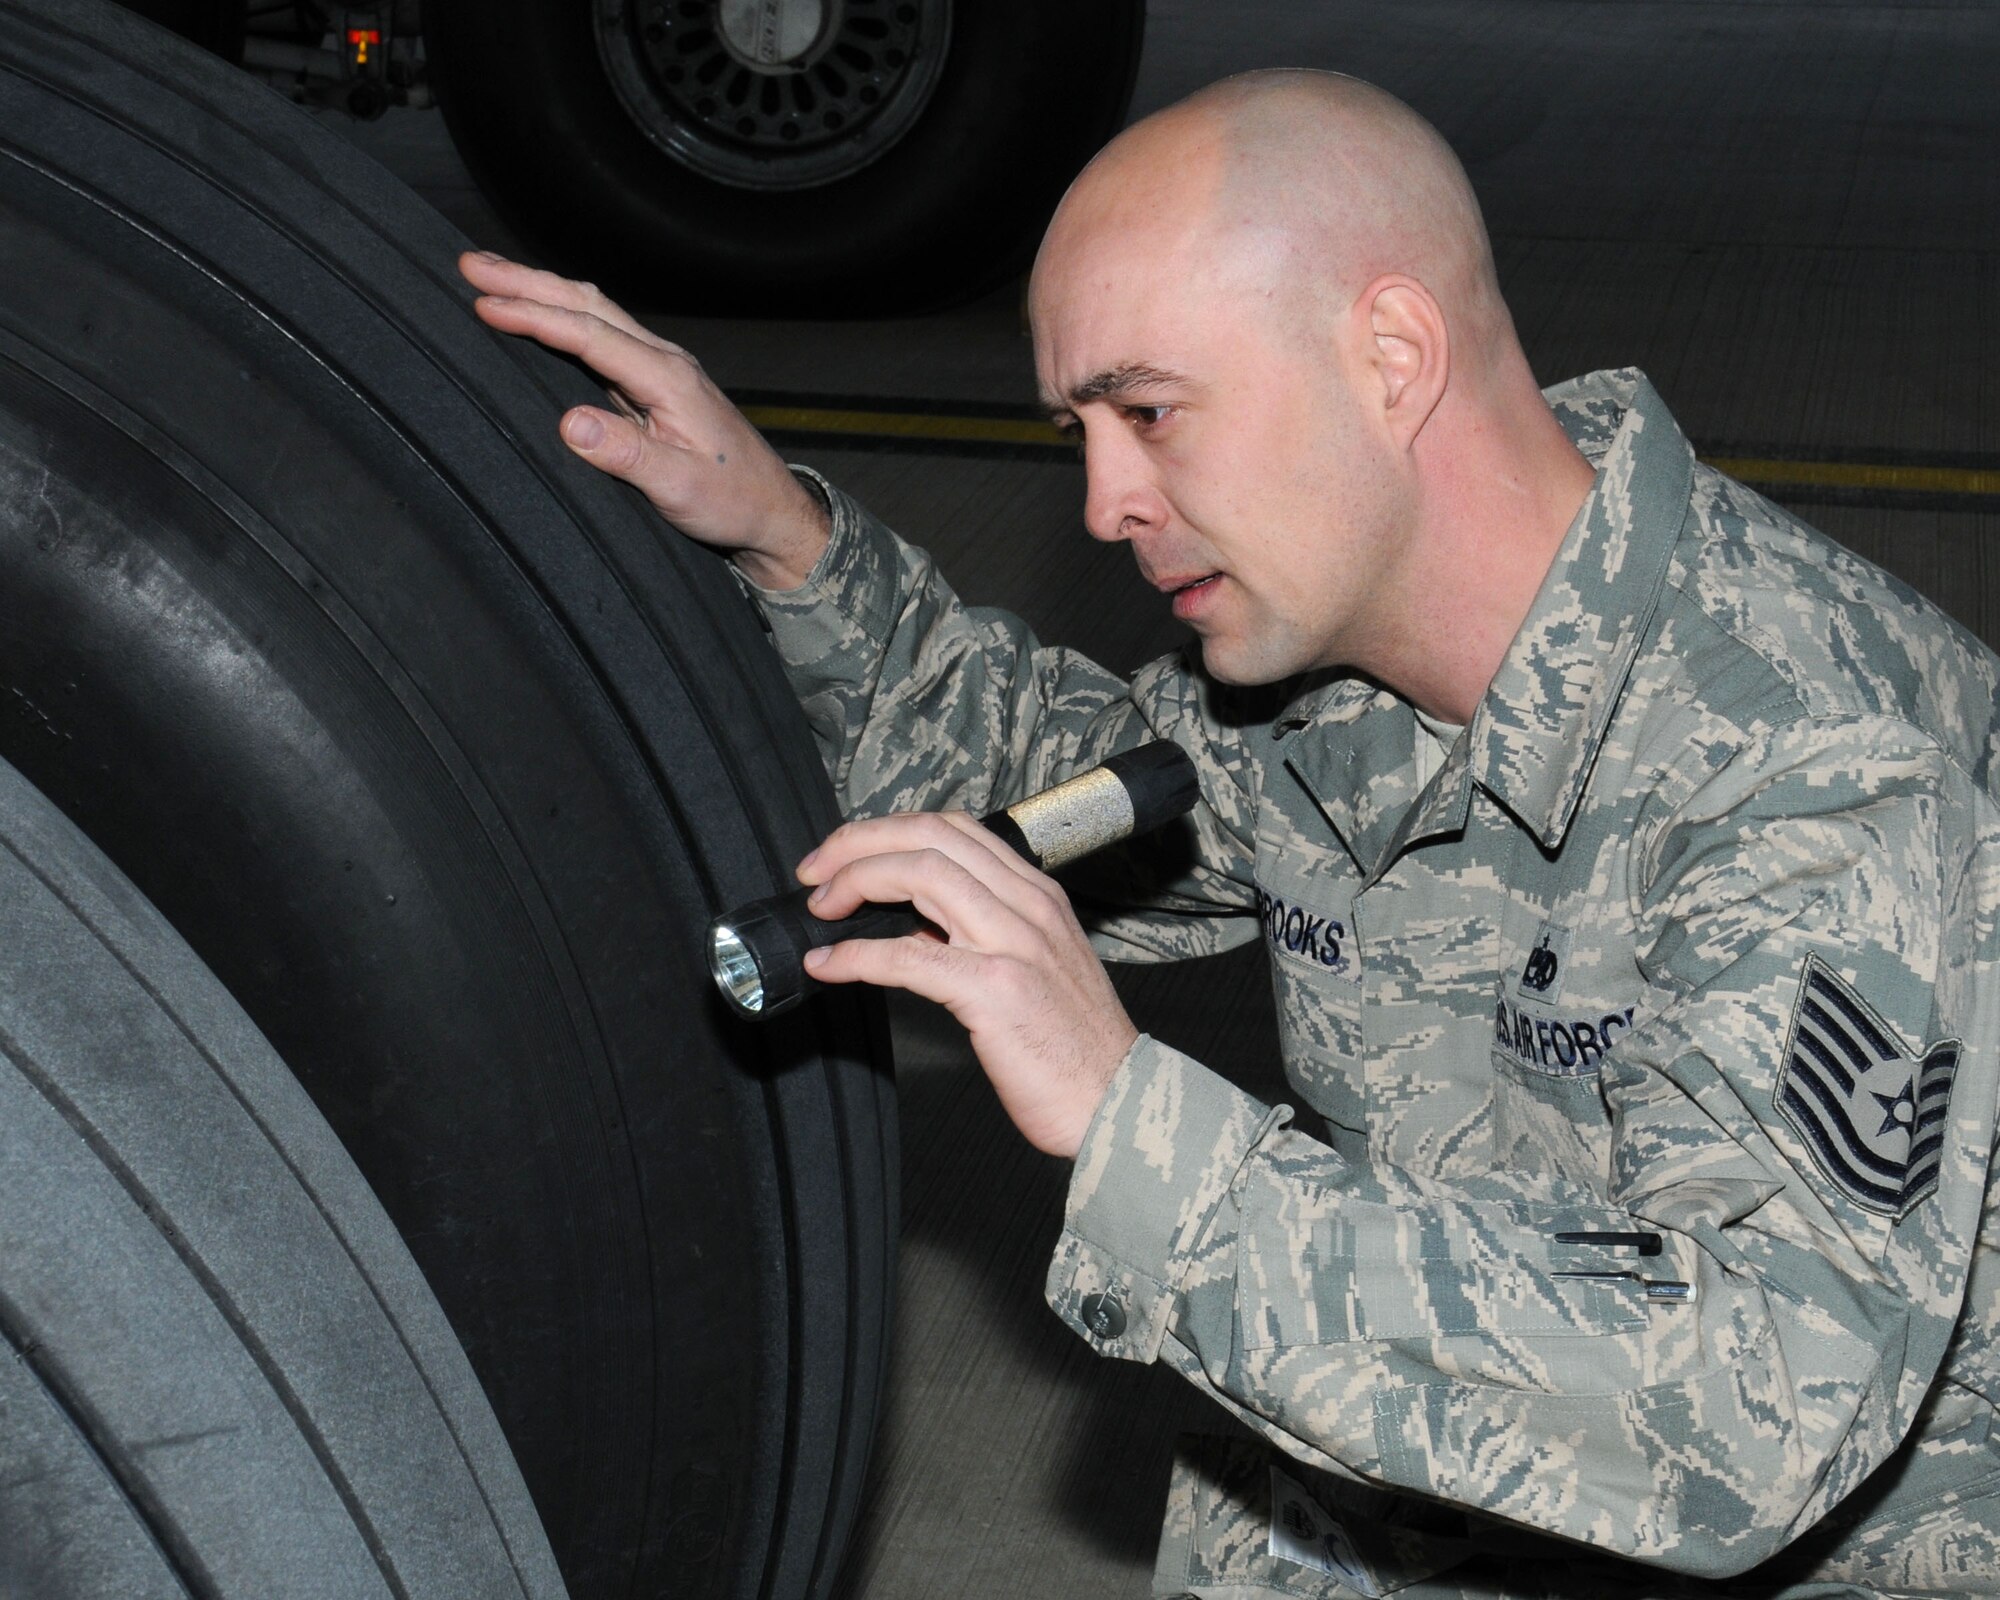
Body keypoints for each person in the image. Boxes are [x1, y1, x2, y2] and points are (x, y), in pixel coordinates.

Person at [462, 69, 2000, 1598]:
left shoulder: (1812, 762)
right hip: (1483, 1492)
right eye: (1081, 427)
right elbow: (1071, 797)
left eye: (1148, 411)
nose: (1103, 500)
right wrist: (784, 541)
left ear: (1392, 359)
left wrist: (1129, 1116)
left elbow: (1753, 1405)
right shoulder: (1343, 673)